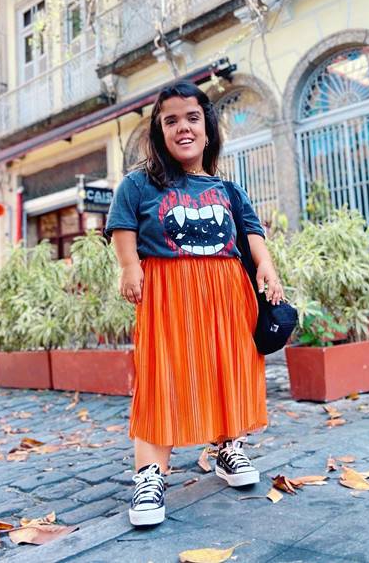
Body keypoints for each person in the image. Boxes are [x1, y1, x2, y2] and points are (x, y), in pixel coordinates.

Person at [106, 80, 284, 527]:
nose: (182, 127)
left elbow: (251, 231)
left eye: (191, 118)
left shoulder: (228, 188)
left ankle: (227, 449)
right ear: (159, 131)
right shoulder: (139, 183)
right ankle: (150, 475)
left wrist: (267, 267)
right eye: (171, 120)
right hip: (167, 293)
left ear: (207, 127)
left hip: (228, 294)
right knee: (161, 378)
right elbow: (122, 225)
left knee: (231, 370)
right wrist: (130, 266)